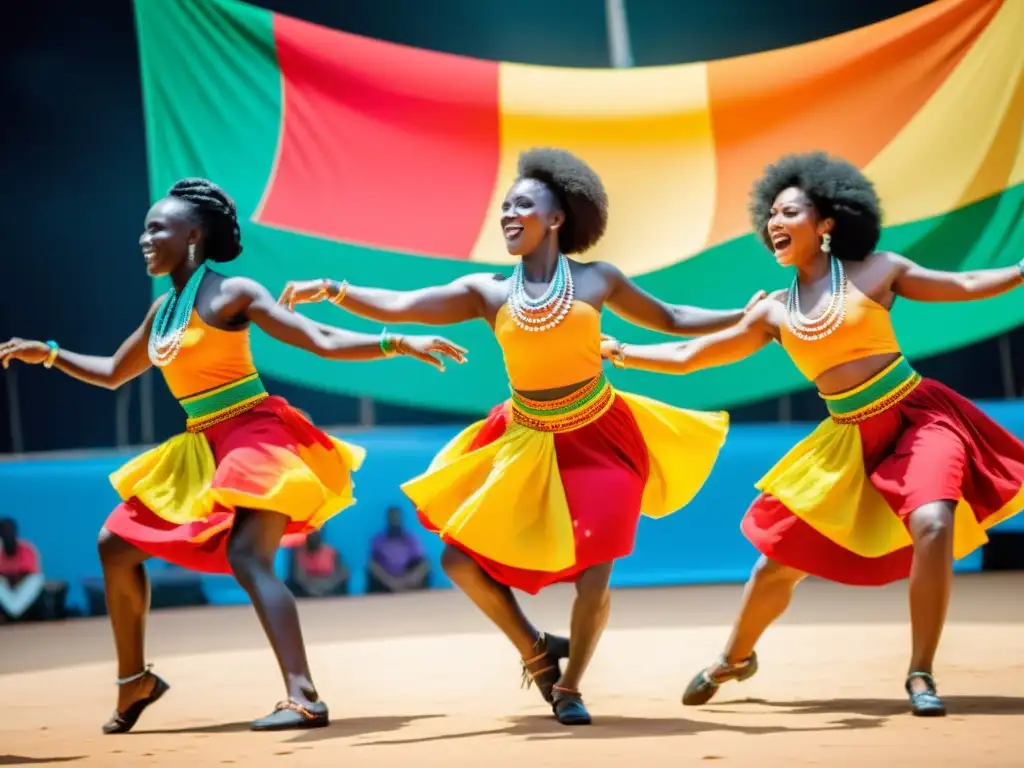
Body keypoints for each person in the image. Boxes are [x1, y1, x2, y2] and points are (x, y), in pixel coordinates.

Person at [277, 148, 762, 725]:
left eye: (522, 205)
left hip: (599, 436)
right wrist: (334, 288)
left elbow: (674, 319)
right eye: (505, 205)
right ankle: (535, 651)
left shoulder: (596, 280)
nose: (509, 213)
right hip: (524, 437)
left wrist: (744, 314)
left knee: (596, 572)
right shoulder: (487, 291)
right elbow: (404, 306)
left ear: (556, 219)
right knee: (458, 559)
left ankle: (571, 687)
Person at [0, 178, 466, 734]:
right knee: (115, 546)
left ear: (192, 235)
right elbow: (110, 373)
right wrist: (48, 354)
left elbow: (317, 339)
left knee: (248, 557)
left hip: (255, 436)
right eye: (145, 228)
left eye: (156, 228)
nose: (144, 239)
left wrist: (396, 342)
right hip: (201, 445)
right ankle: (134, 683)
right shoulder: (163, 312)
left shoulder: (232, 293)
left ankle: (304, 697)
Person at [599, 151, 1024, 717]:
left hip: (918, 417)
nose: (775, 223)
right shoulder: (774, 311)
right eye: (770, 214)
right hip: (848, 436)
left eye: (790, 212)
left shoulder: (879, 270)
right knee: (778, 561)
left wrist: (1020, 270)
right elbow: (685, 355)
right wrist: (621, 352)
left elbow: (967, 282)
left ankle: (920, 671)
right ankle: (734, 658)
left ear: (826, 223)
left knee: (933, 521)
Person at [366, 506, 430, 594]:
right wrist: (390, 581)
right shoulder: (379, 540)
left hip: (408, 578)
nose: (394, 520)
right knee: (371, 567)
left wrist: (411, 578)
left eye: (396, 517)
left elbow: (423, 563)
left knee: (424, 566)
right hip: (386, 580)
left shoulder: (410, 539)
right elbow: (372, 564)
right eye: (392, 518)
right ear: (388, 519)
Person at [0, 517, 46, 622]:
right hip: (6, 590)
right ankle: (11, 613)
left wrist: (12, 579)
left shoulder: (27, 548)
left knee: (36, 580)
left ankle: (17, 613)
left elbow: (30, 573)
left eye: (9, 532)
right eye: (3, 532)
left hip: (23, 589)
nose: (7, 535)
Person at [288, 530, 350, 598]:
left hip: (330, 586)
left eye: (315, 534)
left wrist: (327, 586)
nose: (313, 538)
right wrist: (313, 588)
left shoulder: (331, 552)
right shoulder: (299, 553)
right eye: (310, 535)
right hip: (307, 589)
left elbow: (342, 573)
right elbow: (299, 576)